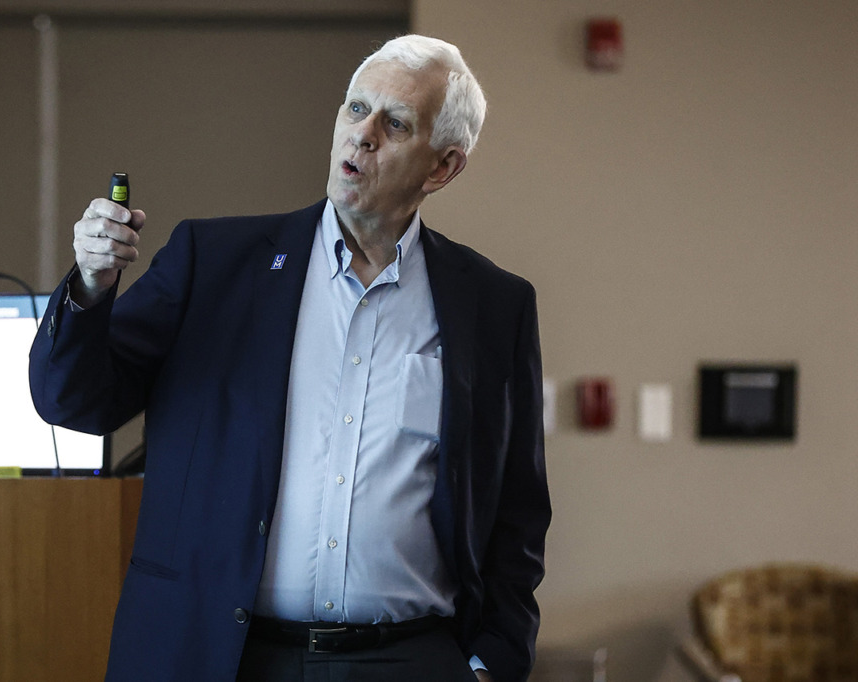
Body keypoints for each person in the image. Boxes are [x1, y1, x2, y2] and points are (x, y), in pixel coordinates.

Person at [30, 34, 551, 682]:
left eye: (395, 123)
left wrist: (491, 659)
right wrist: (89, 286)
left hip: (409, 660)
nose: (363, 136)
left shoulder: (494, 305)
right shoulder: (213, 263)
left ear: (442, 167)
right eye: (355, 109)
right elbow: (74, 400)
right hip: (217, 655)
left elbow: (517, 509)